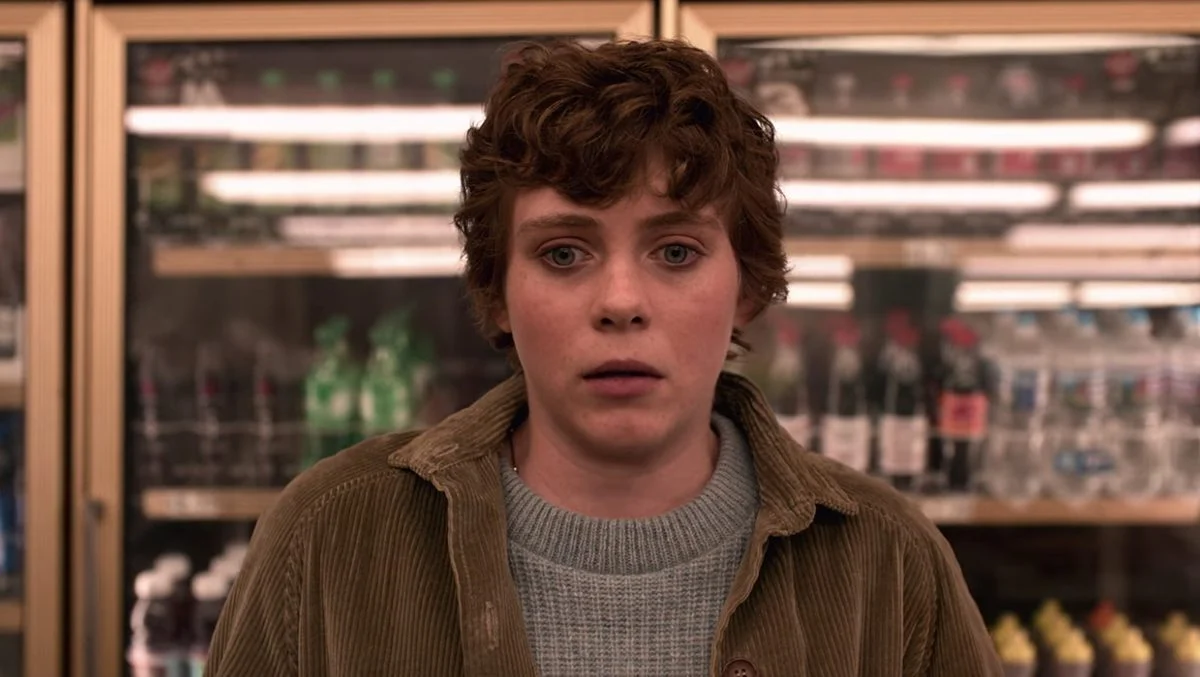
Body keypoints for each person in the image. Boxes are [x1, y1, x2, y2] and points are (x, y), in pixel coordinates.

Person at [206, 38, 1003, 677]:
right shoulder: (328, 538)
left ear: (749, 287)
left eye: (677, 251)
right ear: (497, 292)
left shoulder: (888, 562)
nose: (621, 301)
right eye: (563, 253)